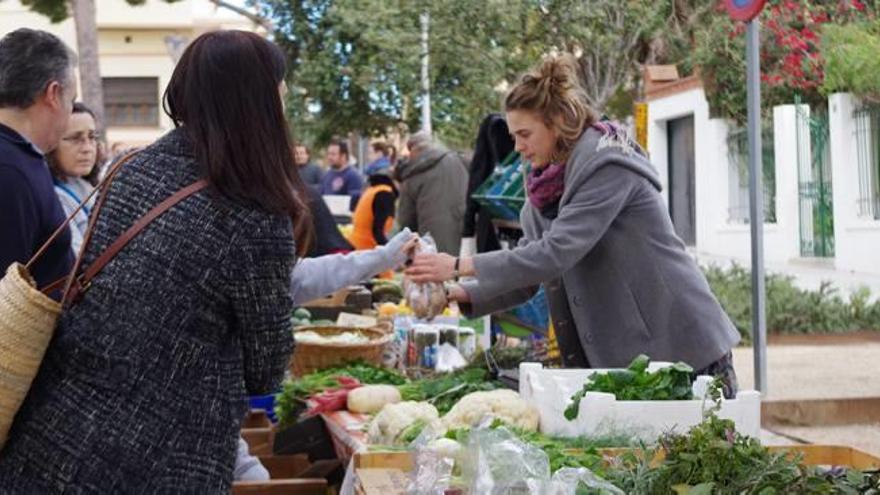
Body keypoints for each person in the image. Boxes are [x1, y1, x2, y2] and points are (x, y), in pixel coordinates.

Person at [0, 30, 312, 492]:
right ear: (259, 103)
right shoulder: (254, 213)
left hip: (53, 431)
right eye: (280, 93)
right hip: (160, 458)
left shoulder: (130, 169)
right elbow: (264, 369)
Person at [406, 55, 741, 397]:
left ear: (557, 123)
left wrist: (458, 266)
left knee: (706, 450)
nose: (518, 147)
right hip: (631, 360)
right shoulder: (543, 184)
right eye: (513, 136)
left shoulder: (606, 163)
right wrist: (458, 293)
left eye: (525, 134)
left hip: (681, 346)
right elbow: (532, 267)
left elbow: (556, 252)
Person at [0, 28, 77, 294]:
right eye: (71, 100)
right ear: (53, 94)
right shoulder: (10, 170)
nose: (70, 112)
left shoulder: (19, 157)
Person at [395, 130, 469, 256]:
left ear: (413, 151)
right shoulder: (459, 160)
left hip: (431, 243)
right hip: (465, 235)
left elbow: (407, 221)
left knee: (440, 273)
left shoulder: (412, 174)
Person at [47, 102, 102, 254]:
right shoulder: (53, 196)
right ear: (51, 144)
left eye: (92, 137)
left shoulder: (87, 185)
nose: (87, 148)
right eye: (75, 138)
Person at [319, 139, 363, 211]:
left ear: (343, 156)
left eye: (333, 154)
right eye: (328, 154)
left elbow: (354, 201)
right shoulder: (326, 175)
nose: (329, 157)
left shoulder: (353, 175)